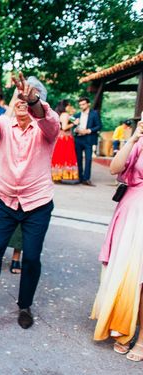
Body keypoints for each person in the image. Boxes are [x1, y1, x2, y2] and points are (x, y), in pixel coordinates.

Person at [0, 72, 59, 329]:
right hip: (5, 200)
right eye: (18, 97)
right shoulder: (4, 126)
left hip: (37, 203)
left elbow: (50, 122)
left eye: (26, 98)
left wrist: (34, 101)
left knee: (31, 257)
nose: (20, 102)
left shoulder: (46, 128)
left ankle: (25, 305)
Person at [91, 120, 143, 361]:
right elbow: (115, 168)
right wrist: (133, 138)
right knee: (124, 273)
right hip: (130, 212)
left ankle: (141, 339)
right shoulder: (139, 141)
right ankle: (121, 327)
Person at [73, 96, 102, 186]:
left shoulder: (94, 114)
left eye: (83, 104)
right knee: (78, 159)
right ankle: (80, 178)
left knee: (88, 159)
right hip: (78, 138)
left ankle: (86, 179)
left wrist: (88, 130)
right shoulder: (77, 115)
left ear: (88, 104)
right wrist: (75, 130)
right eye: (80, 105)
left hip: (88, 139)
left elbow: (99, 126)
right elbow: (73, 127)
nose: (81, 106)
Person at [51, 99, 79, 183]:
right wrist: (74, 123)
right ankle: (59, 176)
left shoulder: (61, 114)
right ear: (65, 106)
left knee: (59, 157)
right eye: (68, 105)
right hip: (65, 138)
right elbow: (64, 127)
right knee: (64, 157)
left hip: (61, 137)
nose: (70, 107)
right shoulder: (65, 114)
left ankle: (57, 176)